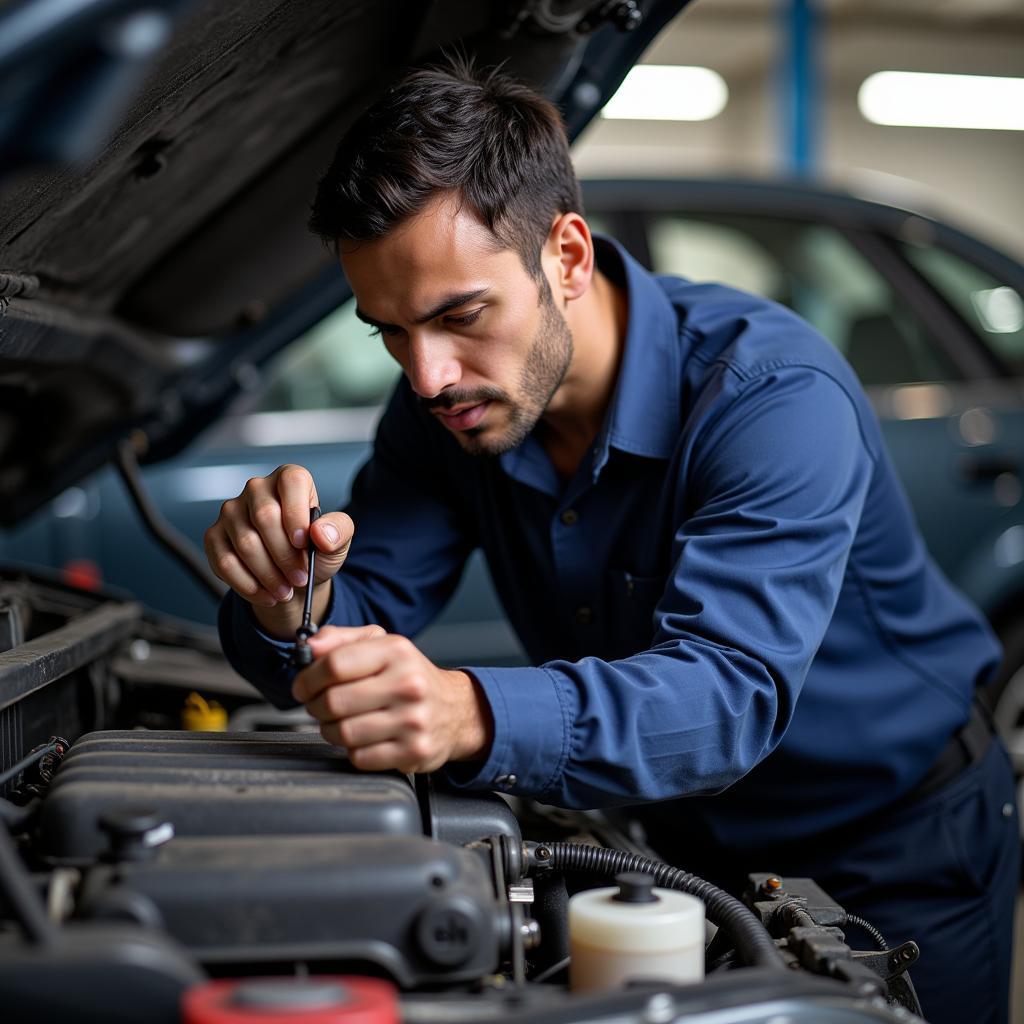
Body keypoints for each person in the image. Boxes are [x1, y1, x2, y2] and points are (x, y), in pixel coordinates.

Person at [205, 59, 1018, 1024]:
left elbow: (727, 693)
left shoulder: (771, 397)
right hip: (677, 849)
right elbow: (369, 600)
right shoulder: (446, 409)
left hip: (899, 845)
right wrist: (292, 594)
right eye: (388, 331)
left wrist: (472, 713)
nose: (426, 375)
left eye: (459, 315)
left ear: (569, 257)